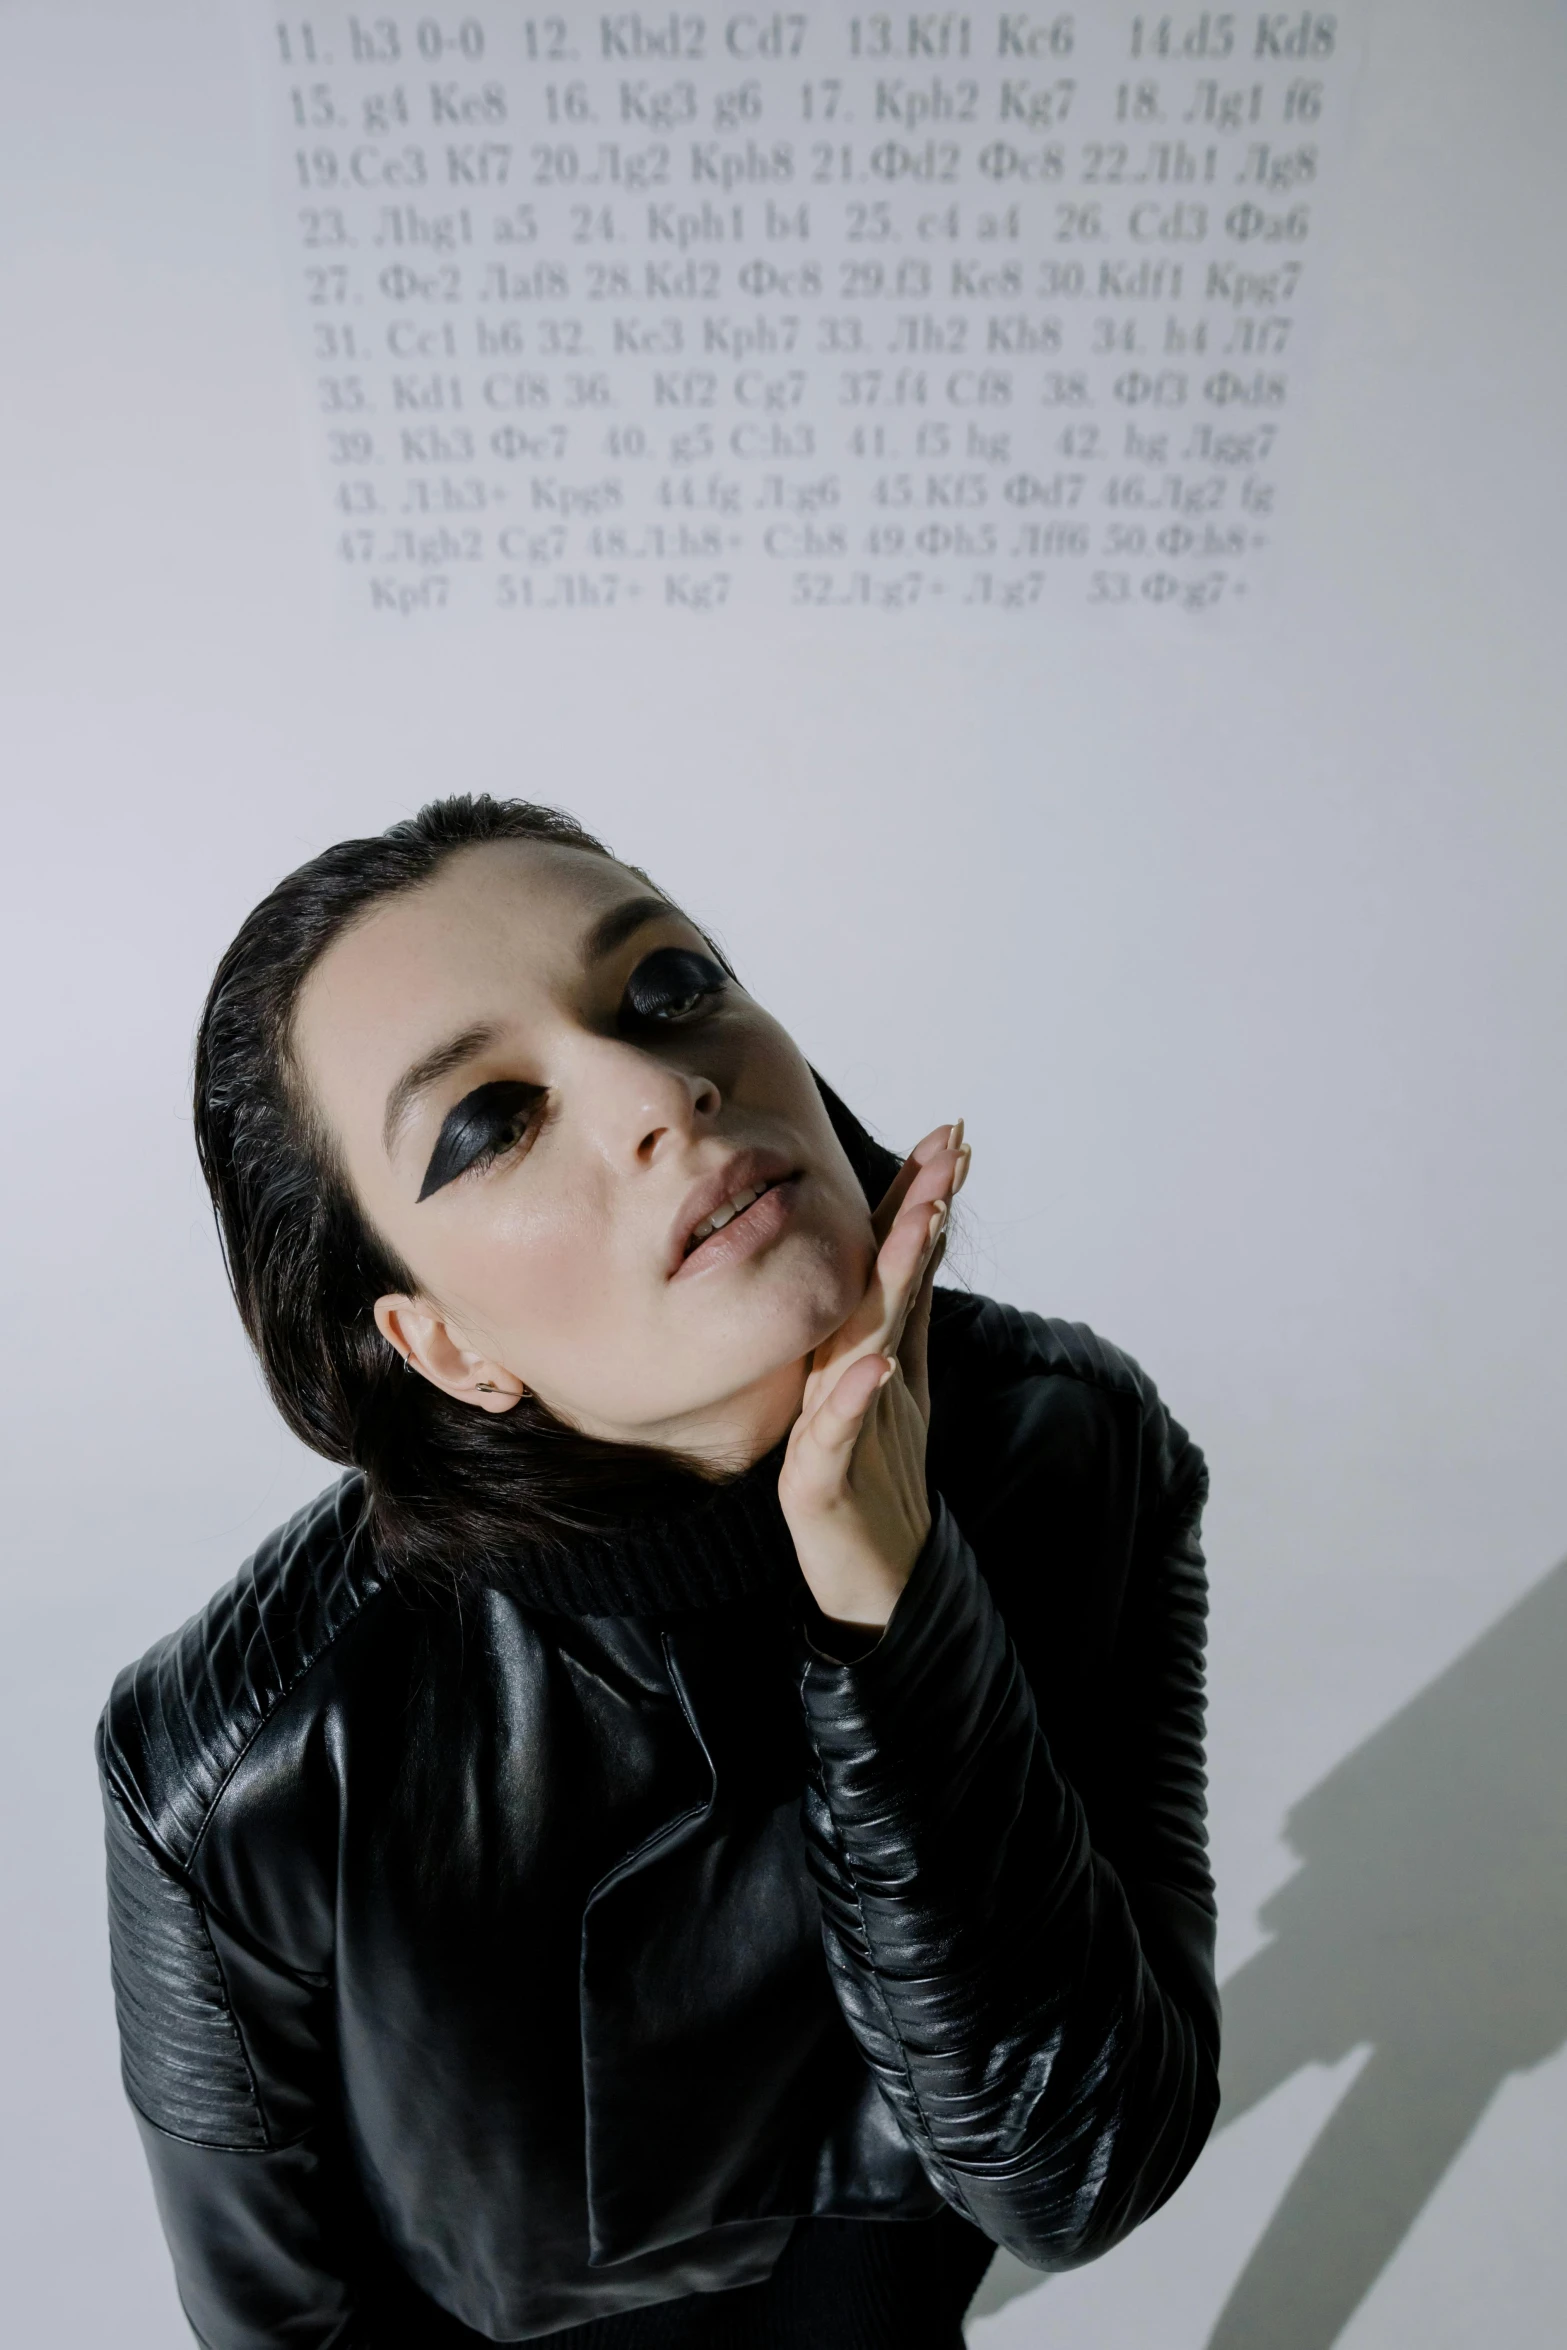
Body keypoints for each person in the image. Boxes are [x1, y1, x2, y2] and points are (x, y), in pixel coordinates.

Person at [97, 795, 1219, 2349]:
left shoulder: (1073, 1448)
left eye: (668, 986)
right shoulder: (233, 1767)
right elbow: (277, 2324)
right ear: (440, 1343)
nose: (657, 1086)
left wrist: (898, 1614)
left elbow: (1082, 2171)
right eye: (490, 1120)